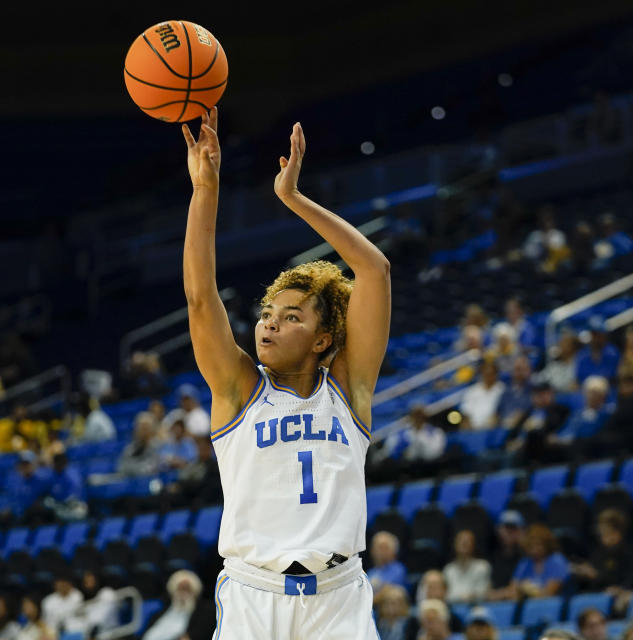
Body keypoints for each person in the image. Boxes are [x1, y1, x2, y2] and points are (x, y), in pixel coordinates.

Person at [182, 109, 390, 638]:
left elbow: (373, 270)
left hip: (339, 598)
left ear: (324, 339)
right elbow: (201, 298)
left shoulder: (348, 389)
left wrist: (293, 198)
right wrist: (205, 188)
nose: (268, 326)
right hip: (255, 596)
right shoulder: (237, 388)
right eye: (267, 316)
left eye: (291, 317)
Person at [569, 509, 633, 591]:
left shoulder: (629, 555)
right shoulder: (598, 553)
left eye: (605, 532)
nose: (601, 537)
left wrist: (595, 575)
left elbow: (624, 582)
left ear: (616, 533)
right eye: (601, 533)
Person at [510, 524, 568, 599]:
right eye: (531, 545)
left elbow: (549, 594)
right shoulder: (524, 563)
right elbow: (512, 591)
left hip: (552, 607)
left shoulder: (557, 560)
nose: (534, 549)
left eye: (538, 544)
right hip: (529, 606)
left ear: (547, 544)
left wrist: (526, 588)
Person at [142, 570, 204, 640]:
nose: (183, 593)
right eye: (180, 589)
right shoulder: (159, 613)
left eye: (186, 589)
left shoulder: (204, 613)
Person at [552, 376, 612, 444]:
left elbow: (590, 435)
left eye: (595, 393)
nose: (591, 396)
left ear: (603, 395)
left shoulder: (606, 414)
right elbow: (566, 429)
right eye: (589, 392)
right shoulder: (577, 413)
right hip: (564, 444)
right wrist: (557, 436)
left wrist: (567, 440)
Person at [443, 530, 491, 603]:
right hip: (452, 607)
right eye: (461, 541)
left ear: (473, 545)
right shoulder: (448, 569)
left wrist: (471, 596)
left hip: (475, 608)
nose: (464, 543)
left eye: (467, 541)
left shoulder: (482, 566)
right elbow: (446, 595)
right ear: (455, 545)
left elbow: (484, 594)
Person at [459, 361, 505, 430]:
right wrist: (467, 424)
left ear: (496, 374)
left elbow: (504, 410)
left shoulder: (502, 389)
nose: (488, 376)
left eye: (491, 374)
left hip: (494, 427)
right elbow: (466, 412)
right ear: (482, 374)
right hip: (472, 428)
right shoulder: (472, 390)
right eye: (486, 374)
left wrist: (497, 419)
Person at [489, 511, 525, 599]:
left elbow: (520, 589)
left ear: (521, 531)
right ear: (498, 530)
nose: (509, 532)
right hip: (495, 604)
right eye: (506, 528)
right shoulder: (493, 557)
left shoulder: (526, 557)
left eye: (513, 528)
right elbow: (488, 590)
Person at [574, 318, 620, 383]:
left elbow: (614, 377)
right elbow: (578, 378)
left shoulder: (613, 353)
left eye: (598, 334)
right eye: (593, 334)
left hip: (608, 389)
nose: (596, 338)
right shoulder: (582, 354)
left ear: (604, 335)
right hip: (586, 390)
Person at [117, 411, 162, 476]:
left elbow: (149, 469)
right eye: (139, 427)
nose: (142, 430)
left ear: (153, 429)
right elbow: (121, 468)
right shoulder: (129, 449)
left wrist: (131, 468)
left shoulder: (159, 447)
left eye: (145, 427)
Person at [495, 356, 532, 429]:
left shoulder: (534, 389)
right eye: (518, 370)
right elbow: (498, 411)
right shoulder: (506, 390)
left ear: (529, 371)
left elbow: (534, 410)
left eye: (524, 370)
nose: (520, 373)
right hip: (504, 424)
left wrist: (521, 417)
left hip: (524, 425)